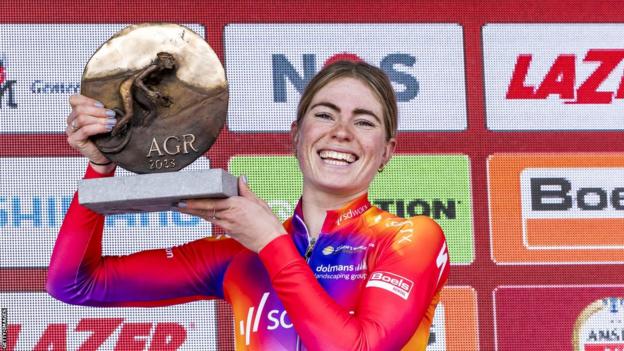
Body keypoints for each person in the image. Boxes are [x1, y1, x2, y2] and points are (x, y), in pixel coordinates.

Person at [47, 60, 449, 350]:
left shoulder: (410, 239)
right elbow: (74, 284)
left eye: (364, 121)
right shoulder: (239, 253)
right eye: (325, 115)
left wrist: (272, 242)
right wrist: (102, 164)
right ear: (296, 135)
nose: (342, 132)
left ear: (387, 152)